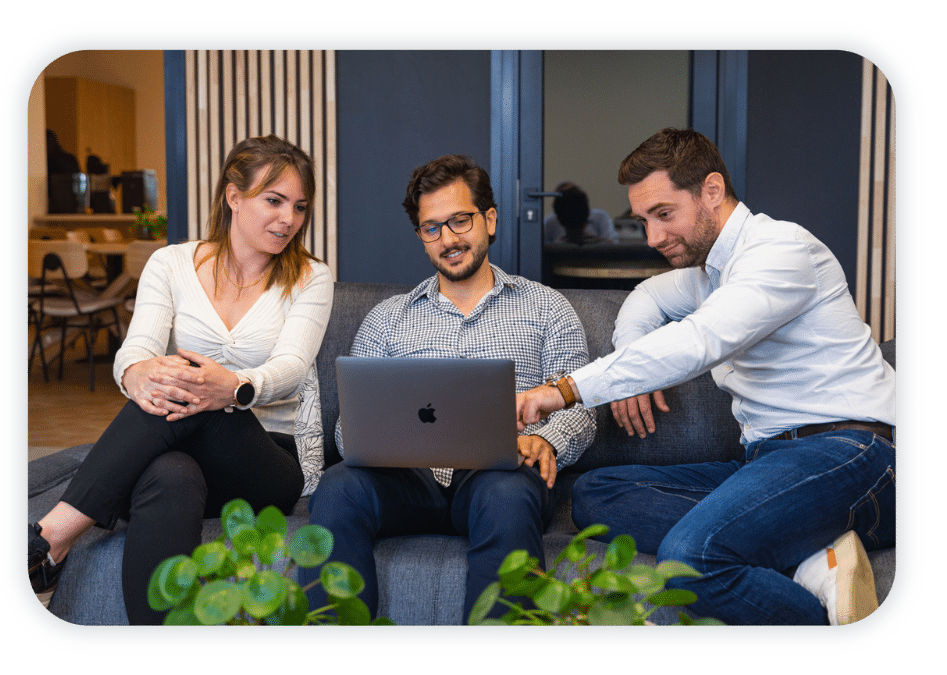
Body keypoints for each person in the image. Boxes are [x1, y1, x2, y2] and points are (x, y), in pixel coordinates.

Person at [516, 128, 895, 626]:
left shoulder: (781, 251)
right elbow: (646, 299)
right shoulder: (709, 275)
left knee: (691, 556)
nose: (653, 238)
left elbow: (700, 341)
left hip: (854, 453)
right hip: (770, 460)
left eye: (664, 214)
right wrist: (637, 365)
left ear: (711, 191)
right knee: (593, 495)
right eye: (644, 220)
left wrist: (565, 389)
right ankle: (808, 559)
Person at [28, 135, 335, 624]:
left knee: (195, 384)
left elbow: (292, 368)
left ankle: (50, 537)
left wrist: (232, 387)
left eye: (299, 207)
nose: (289, 219)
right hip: (183, 452)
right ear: (233, 196)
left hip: (268, 461)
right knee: (168, 476)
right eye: (273, 201)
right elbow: (137, 349)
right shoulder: (170, 264)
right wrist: (140, 371)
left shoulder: (311, 278)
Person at [299, 154, 596, 621]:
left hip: (497, 476)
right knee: (337, 487)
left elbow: (580, 407)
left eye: (460, 221)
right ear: (420, 236)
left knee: (508, 493)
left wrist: (543, 439)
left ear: (489, 220)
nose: (448, 239)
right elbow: (348, 431)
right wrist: (378, 442)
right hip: (405, 481)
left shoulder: (546, 309)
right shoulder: (387, 319)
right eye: (431, 227)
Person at [543, 181, 617, 243]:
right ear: (588, 214)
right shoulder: (607, 247)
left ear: (559, 219)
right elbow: (613, 240)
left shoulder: (551, 250)